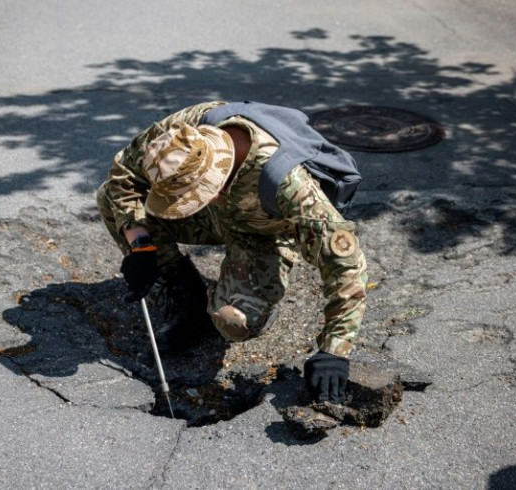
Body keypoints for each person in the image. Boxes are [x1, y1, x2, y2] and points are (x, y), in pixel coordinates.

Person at [96, 101, 368, 404]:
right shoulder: (182, 133)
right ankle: (184, 293)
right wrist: (141, 245)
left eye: (187, 196)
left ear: (217, 174)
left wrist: (335, 348)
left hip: (260, 233)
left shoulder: (288, 184)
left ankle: (253, 297)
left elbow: (345, 262)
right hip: (214, 214)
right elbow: (122, 175)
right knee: (109, 198)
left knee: (234, 323)